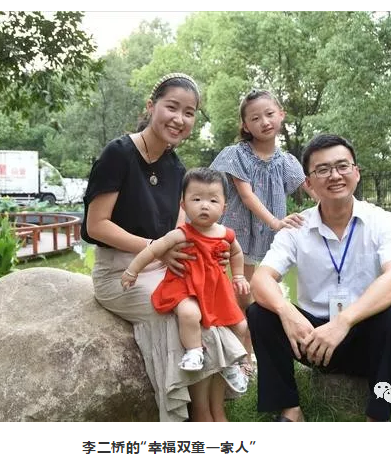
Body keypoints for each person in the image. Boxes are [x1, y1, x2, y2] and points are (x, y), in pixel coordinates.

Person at [81, 73, 247, 422]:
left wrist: (207, 251)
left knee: (209, 305)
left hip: (165, 266)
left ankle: (216, 411)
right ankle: (199, 416)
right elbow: (96, 225)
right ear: (151, 106)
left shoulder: (175, 167)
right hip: (121, 273)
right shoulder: (118, 154)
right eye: (172, 107)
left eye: (189, 113)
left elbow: (182, 230)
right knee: (182, 313)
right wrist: (156, 248)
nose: (179, 119)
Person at [247, 134, 391, 422]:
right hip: (311, 340)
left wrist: (343, 321)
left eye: (342, 166)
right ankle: (290, 410)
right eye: (322, 169)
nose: (334, 175)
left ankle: (378, 416)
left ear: (356, 173)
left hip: (364, 337)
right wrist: (287, 312)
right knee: (260, 313)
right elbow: (261, 278)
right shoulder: (296, 228)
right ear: (309, 183)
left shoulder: (383, 221)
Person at [121, 167, 252, 393]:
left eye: (213, 200)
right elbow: (152, 251)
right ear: (183, 205)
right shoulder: (180, 234)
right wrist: (132, 271)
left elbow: (237, 253)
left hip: (215, 290)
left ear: (224, 207)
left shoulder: (226, 234)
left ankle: (233, 363)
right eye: (196, 199)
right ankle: (194, 351)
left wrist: (239, 275)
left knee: (241, 325)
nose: (204, 205)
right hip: (185, 287)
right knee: (190, 314)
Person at [210, 89, 317, 308]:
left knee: (269, 282)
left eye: (270, 114)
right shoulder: (238, 154)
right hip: (242, 228)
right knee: (241, 284)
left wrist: (335, 206)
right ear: (246, 126)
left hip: (269, 231)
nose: (265, 122)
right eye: (255, 118)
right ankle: (241, 321)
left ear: (281, 114)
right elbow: (247, 196)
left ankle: (259, 320)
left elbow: (310, 188)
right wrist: (275, 222)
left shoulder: (286, 161)